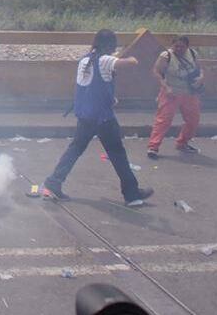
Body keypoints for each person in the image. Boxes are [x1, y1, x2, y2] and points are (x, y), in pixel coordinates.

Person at [42, 29, 154, 207]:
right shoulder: (104, 60)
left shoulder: (85, 60)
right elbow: (130, 63)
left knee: (75, 150)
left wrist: (110, 98)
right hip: (102, 118)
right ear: (110, 45)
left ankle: (53, 182)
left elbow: (92, 88)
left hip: (85, 115)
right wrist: (132, 57)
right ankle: (132, 194)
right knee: (118, 154)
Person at [147, 35, 203, 158]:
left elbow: (200, 69)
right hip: (171, 92)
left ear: (187, 47)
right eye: (176, 46)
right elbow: (156, 71)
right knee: (163, 120)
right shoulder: (166, 56)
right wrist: (166, 87)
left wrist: (201, 78)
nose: (179, 49)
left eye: (182, 47)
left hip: (189, 92)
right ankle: (153, 147)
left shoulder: (193, 54)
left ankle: (182, 142)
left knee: (193, 120)